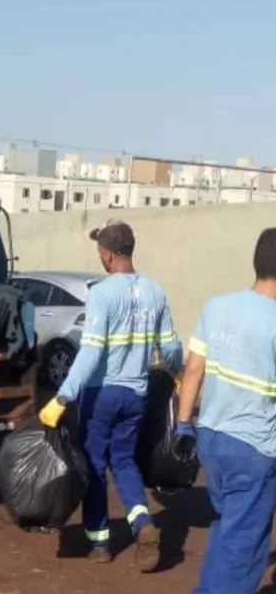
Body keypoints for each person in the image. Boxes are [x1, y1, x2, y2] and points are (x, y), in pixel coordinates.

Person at [39, 220, 183, 570]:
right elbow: (170, 346)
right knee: (124, 461)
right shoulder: (154, 291)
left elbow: (91, 351)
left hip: (101, 394)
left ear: (108, 254)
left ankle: (100, 543)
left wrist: (63, 396)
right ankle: (142, 522)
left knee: (94, 464)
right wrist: (178, 375)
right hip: (136, 394)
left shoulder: (102, 294)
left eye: (100, 250)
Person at [175, 228, 276, 594]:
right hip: (255, 448)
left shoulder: (218, 307)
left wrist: (183, 423)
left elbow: (193, 368)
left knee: (224, 528)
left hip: (211, 438)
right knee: (246, 545)